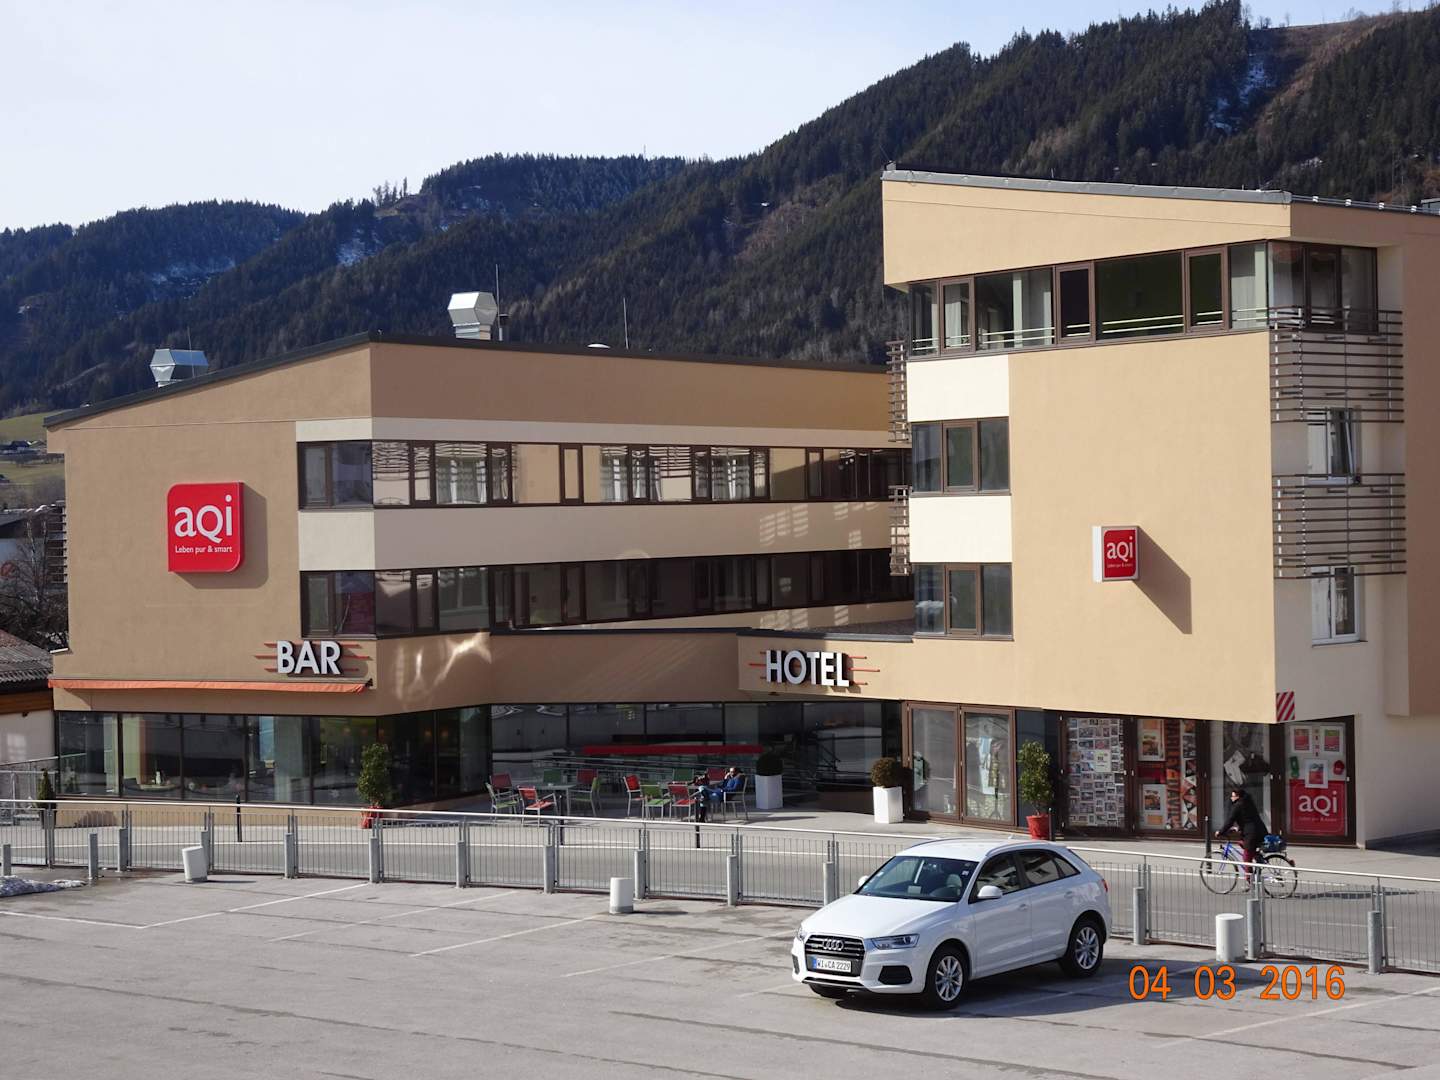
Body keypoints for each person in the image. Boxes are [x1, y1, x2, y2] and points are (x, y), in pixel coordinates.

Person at [1216, 788, 1268, 880]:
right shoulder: (1248, 803)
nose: (1231, 798)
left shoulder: (1238, 805)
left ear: (1238, 797)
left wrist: (1221, 832)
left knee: (1246, 857)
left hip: (1252, 834)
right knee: (1242, 843)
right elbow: (1248, 819)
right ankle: (1257, 858)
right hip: (1260, 831)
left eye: (1233, 796)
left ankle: (1250, 881)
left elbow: (1230, 820)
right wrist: (1238, 828)